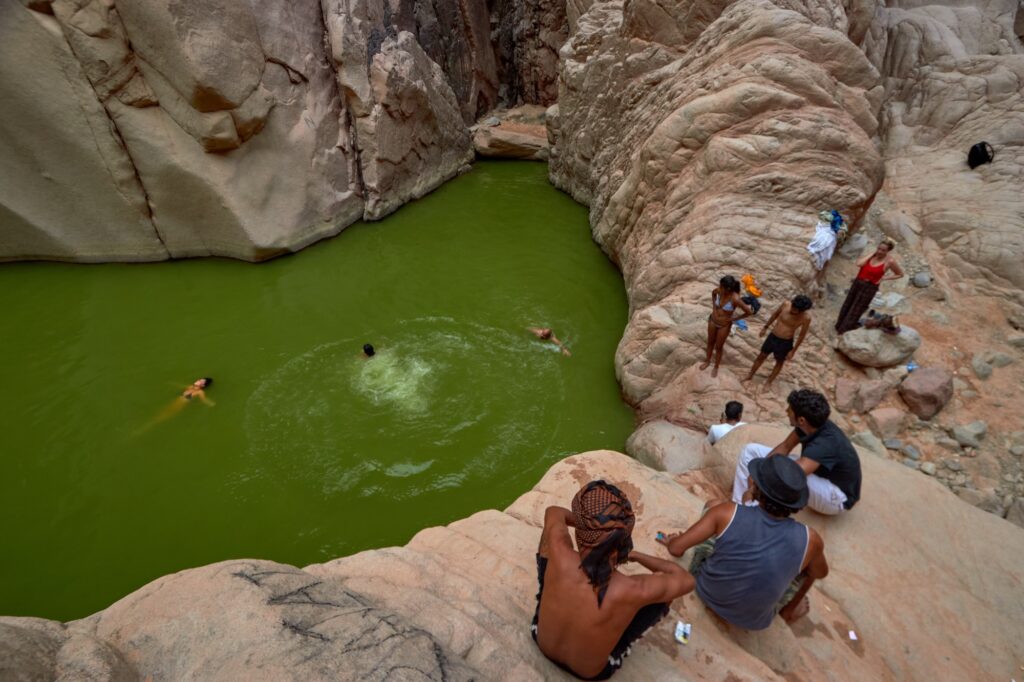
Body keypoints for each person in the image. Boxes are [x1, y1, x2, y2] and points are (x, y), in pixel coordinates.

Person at [532, 481, 693, 680]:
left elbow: (554, 512)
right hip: (590, 673)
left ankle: (545, 592)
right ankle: (621, 639)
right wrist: (635, 556)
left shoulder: (559, 550)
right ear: (622, 537)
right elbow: (684, 580)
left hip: (540, 638)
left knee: (550, 535)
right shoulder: (634, 589)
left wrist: (592, 526)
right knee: (664, 596)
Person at [657, 456, 829, 629]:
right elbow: (820, 573)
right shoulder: (811, 539)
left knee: (713, 505)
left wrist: (674, 540)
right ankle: (789, 609)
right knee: (808, 568)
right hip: (755, 620)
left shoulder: (727, 513)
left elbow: (676, 549)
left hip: (708, 592)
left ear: (756, 487)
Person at [732, 389, 860, 516]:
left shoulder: (824, 443)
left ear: (801, 420)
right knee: (749, 451)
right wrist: (761, 469)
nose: (786, 411)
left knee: (784, 474)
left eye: (790, 409)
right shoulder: (811, 424)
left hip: (835, 496)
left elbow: (792, 476)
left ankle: (753, 514)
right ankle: (740, 506)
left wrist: (756, 484)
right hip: (818, 476)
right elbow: (786, 446)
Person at [835, 240, 903, 334]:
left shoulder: (890, 261)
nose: (879, 251)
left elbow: (900, 274)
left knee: (857, 309)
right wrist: (872, 254)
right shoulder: (871, 256)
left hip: (870, 287)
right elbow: (859, 264)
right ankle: (839, 325)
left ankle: (844, 330)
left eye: (883, 250)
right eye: (878, 248)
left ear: (887, 251)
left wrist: (884, 278)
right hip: (858, 283)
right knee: (848, 304)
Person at [745, 295, 813, 387]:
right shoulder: (785, 304)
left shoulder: (806, 318)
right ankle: (750, 375)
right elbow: (775, 315)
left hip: (785, 342)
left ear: (802, 311)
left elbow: (802, 335)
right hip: (772, 336)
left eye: (796, 310)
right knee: (761, 356)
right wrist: (765, 327)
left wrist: (793, 351)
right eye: (793, 307)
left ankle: (769, 382)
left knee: (779, 362)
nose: (792, 310)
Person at [700, 275, 753, 377]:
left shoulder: (735, 299)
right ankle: (707, 361)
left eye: (721, 287)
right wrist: (714, 307)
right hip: (713, 320)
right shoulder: (719, 291)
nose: (719, 288)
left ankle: (716, 367)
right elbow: (713, 293)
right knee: (710, 342)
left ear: (728, 289)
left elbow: (749, 312)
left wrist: (734, 319)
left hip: (724, 325)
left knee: (718, 347)